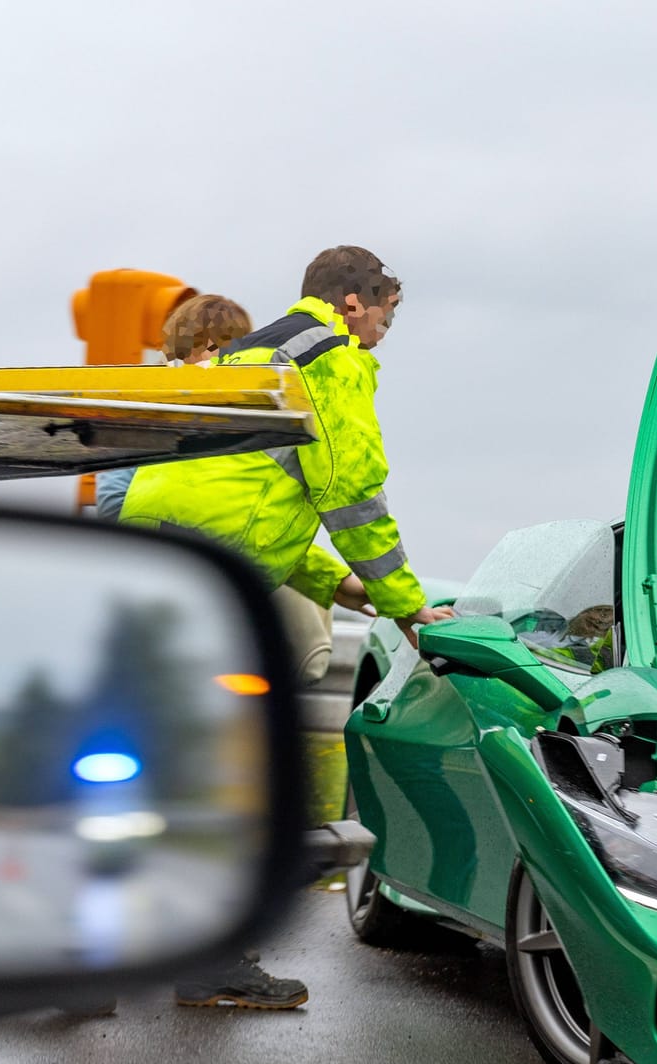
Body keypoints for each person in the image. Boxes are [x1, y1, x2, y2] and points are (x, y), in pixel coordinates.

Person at [122, 246, 453, 1009]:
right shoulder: (333, 360)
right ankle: (209, 966)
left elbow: (257, 498)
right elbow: (353, 497)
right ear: (352, 304)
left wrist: (334, 583)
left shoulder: (248, 352)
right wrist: (405, 604)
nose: (383, 335)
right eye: (386, 315)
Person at [92, 294, 253, 521]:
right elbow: (113, 501)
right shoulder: (141, 407)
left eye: (230, 349)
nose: (221, 359)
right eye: (212, 346)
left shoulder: (249, 413)